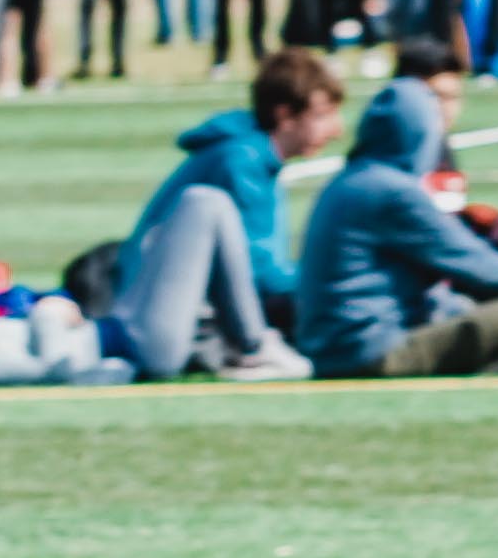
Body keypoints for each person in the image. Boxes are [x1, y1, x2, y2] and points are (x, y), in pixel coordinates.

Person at [296, 88, 498, 378]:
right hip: (369, 351)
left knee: (463, 307)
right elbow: (473, 260)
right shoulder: (392, 192)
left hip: (334, 347)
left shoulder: (350, 181)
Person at [105, 51, 338, 377]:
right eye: (323, 115)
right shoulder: (242, 159)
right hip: (163, 310)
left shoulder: (249, 151)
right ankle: (253, 350)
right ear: (285, 115)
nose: (336, 129)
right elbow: (258, 269)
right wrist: (324, 284)